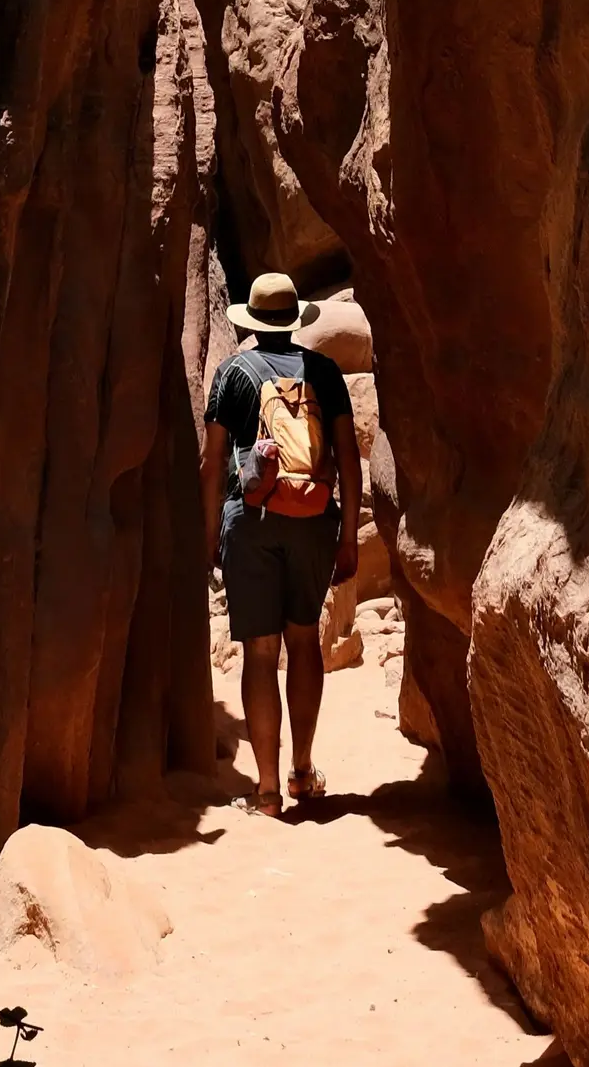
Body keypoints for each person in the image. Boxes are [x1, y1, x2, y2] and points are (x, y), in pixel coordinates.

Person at [201, 272, 362, 817]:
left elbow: (212, 462)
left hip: (251, 522)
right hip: (314, 521)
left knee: (261, 653)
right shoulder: (326, 373)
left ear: (252, 321)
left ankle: (266, 791)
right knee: (304, 644)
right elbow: (346, 456)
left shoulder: (232, 374)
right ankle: (302, 770)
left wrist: (209, 538)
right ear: (294, 321)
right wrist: (347, 538)